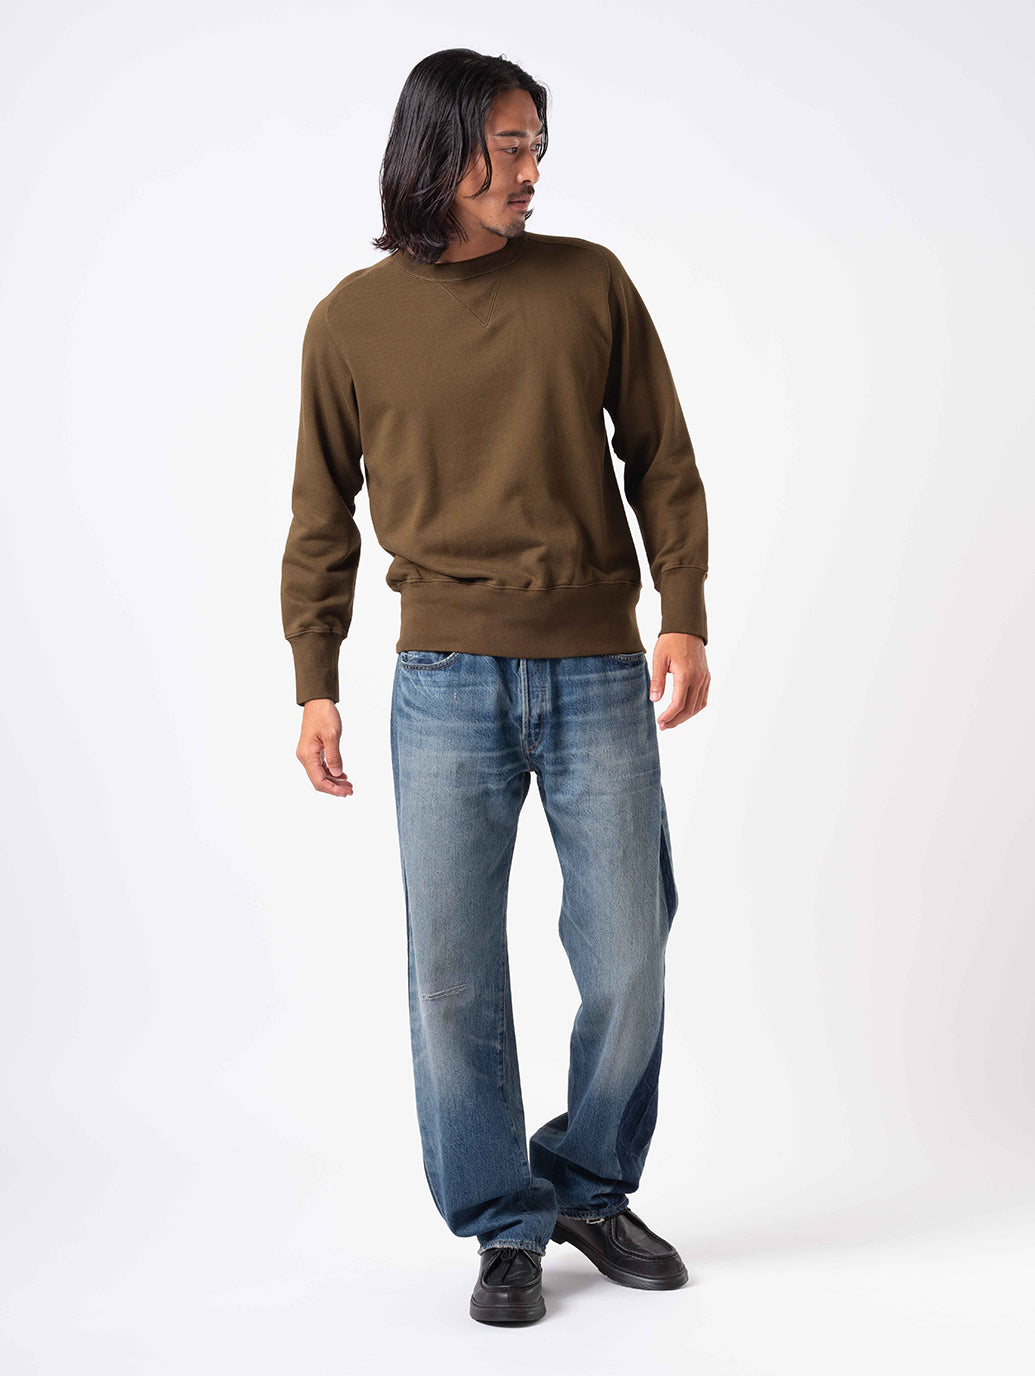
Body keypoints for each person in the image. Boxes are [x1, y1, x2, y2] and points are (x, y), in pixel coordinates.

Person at [280, 48, 710, 1326]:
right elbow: (319, 514)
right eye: (510, 145)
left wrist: (682, 610)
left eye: (537, 146)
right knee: (453, 976)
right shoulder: (351, 319)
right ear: (443, 147)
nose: (530, 169)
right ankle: (502, 1221)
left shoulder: (590, 282)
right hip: (443, 681)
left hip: (596, 667)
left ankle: (588, 1181)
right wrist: (315, 676)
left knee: (629, 952)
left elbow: (663, 460)